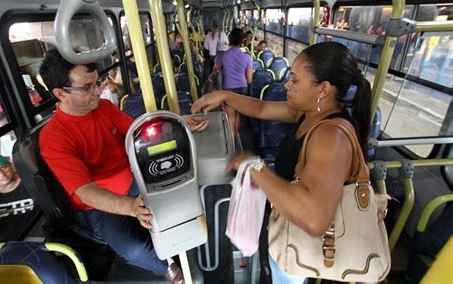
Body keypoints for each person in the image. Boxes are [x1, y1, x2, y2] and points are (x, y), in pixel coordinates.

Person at [191, 41, 372, 283]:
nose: (287, 84)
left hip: (303, 244)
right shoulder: (309, 114)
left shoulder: (331, 137)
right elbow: (263, 107)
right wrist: (224, 95)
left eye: (295, 80)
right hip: (288, 228)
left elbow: (314, 219)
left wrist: (254, 165)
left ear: (323, 89)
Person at [38, 48, 184, 283]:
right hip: (97, 207)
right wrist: (130, 207)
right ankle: (169, 271)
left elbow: (138, 131)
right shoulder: (54, 137)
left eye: (98, 82)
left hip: (132, 181)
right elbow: (86, 192)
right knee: (134, 249)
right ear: (60, 93)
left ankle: (181, 244)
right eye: (88, 87)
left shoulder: (104, 108)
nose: (99, 90)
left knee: (175, 189)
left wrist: (180, 127)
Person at [0, 153, 38, 246]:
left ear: (12, 167)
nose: (1, 174)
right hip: (6, 244)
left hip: (38, 237)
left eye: (3, 168)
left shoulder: (31, 183)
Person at [221, 28, 253, 143]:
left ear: (230, 39)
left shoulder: (224, 56)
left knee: (231, 117)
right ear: (242, 40)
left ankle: (232, 143)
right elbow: (249, 80)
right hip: (242, 88)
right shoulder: (247, 57)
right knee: (238, 115)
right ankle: (238, 136)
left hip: (229, 89)